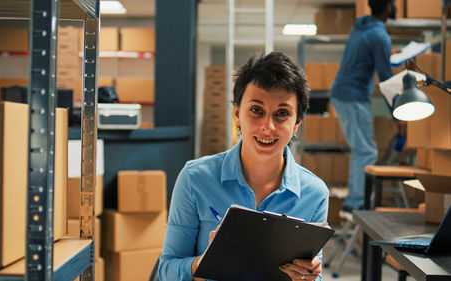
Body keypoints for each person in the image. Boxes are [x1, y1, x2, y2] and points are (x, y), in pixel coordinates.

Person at [158, 52, 329, 281]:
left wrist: (308, 277)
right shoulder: (195, 178)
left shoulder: (315, 193)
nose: (267, 126)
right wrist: (207, 261)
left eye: (282, 114)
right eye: (256, 110)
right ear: (237, 114)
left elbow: (313, 275)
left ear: (296, 123)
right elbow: (166, 270)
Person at [330, 0, 397, 213]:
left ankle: (355, 199)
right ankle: (356, 203)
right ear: (388, 7)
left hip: (344, 92)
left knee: (362, 150)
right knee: (366, 151)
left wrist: (385, 55)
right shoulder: (379, 36)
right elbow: (386, 80)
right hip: (353, 96)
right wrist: (397, 115)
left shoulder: (362, 25)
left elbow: (365, 56)